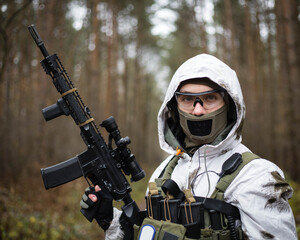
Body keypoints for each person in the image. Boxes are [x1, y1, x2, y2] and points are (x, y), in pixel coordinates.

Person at [80, 54, 297, 239]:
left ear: (230, 105)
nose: (198, 110)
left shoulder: (256, 176)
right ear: (173, 107)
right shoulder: (165, 172)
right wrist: (111, 220)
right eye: (187, 99)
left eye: (210, 98)